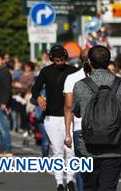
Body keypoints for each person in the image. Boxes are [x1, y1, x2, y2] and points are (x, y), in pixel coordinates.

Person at [70, 45, 121, 191]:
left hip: (88, 147)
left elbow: (76, 112)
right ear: (109, 62)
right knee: (108, 187)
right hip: (115, 146)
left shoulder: (80, 85)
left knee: (89, 187)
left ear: (89, 62)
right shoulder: (120, 84)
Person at [31, 45, 76, 191]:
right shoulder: (46, 71)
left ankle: (70, 180)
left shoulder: (73, 71)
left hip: (70, 116)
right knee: (57, 151)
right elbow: (35, 88)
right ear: (52, 59)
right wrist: (38, 98)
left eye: (62, 59)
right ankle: (59, 183)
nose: (60, 62)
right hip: (51, 117)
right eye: (57, 60)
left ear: (65, 58)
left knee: (71, 151)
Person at [64, 55, 90, 191]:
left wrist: (67, 133)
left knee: (82, 167)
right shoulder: (112, 79)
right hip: (105, 129)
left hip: (80, 127)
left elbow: (69, 107)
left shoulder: (72, 78)